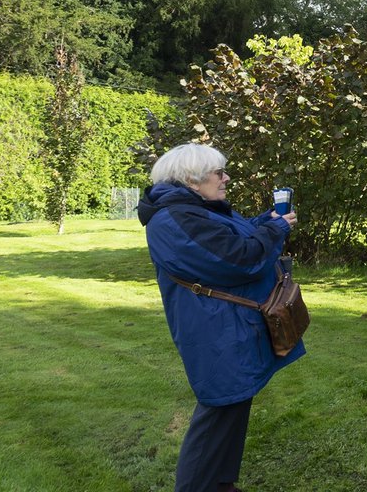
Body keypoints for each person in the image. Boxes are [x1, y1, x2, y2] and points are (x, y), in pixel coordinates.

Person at [139, 143, 305, 492]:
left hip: (228, 326)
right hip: (214, 332)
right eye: (219, 173)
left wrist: (267, 222)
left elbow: (234, 236)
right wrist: (275, 232)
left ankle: (220, 483)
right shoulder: (174, 220)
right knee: (218, 409)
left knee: (235, 403)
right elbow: (237, 259)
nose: (226, 178)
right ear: (192, 179)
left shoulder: (195, 210)